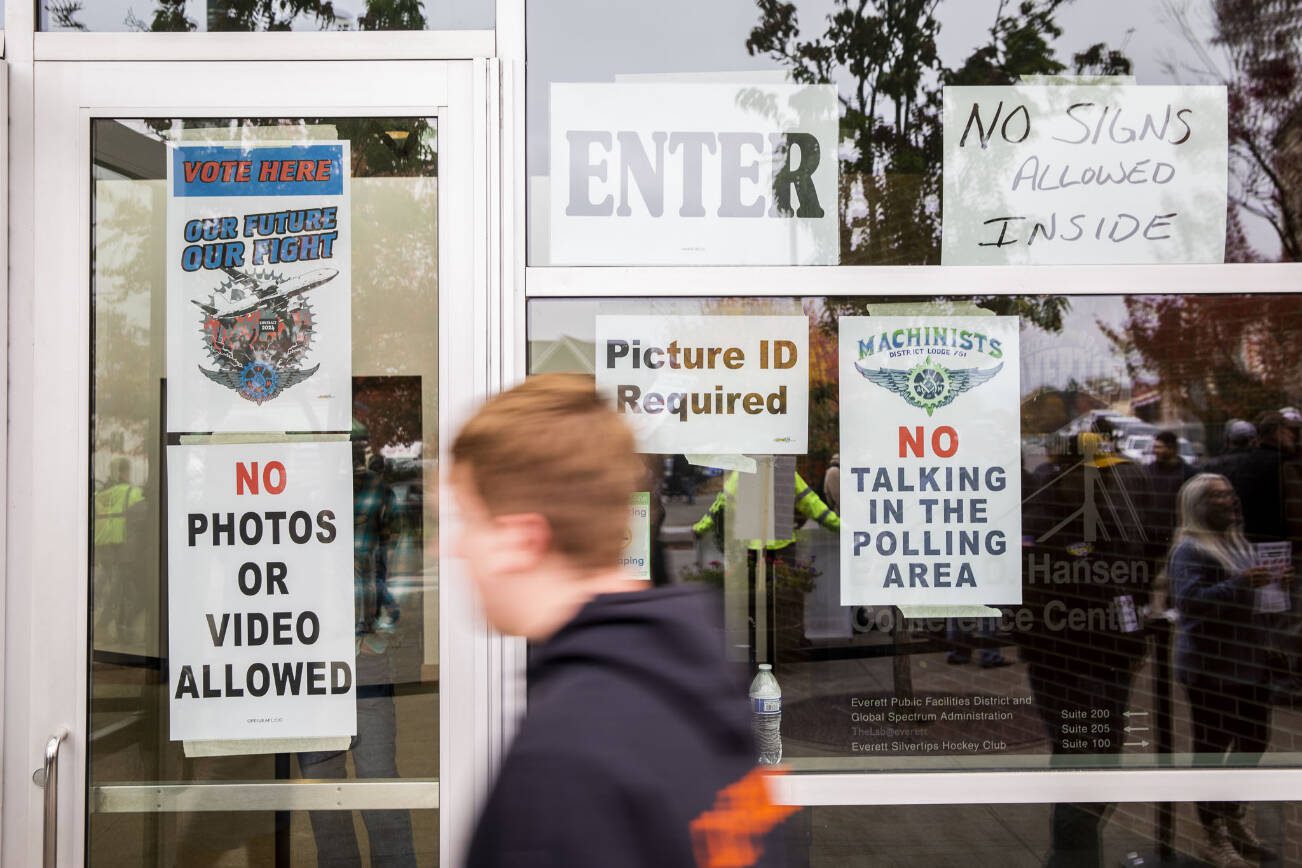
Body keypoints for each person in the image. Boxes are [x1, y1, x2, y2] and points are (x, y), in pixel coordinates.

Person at [454, 374, 796, 868]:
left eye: (468, 519)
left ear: (523, 538)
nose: (453, 546)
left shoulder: (563, 762)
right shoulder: (691, 690)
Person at [1169, 473, 1283, 867]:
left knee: (1254, 742)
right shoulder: (1190, 549)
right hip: (1212, 670)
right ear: (1199, 504)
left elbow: (1247, 598)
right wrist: (1241, 583)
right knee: (1211, 752)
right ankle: (1212, 833)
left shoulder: (1237, 541)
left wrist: (1265, 586)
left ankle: (1231, 815)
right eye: (1218, 496)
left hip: (1250, 664)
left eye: (1230, 493)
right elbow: (1190, 604)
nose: (1230, 500)